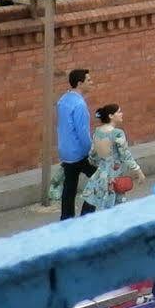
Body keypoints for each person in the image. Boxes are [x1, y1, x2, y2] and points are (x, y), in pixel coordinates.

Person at [78, 103, 145, 213]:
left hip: (100, 174)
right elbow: (126, 155)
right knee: (115, 209)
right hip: (114, 176)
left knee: (94, 203)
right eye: (119, 112)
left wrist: (99, 166)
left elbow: (92, 154)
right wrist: (138, 171)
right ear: (111, 116)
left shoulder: (97, 131)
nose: (121, 114)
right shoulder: (117, 133)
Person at [55, 68, 94, 221]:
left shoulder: (63, 100)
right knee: (99, 178)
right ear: (80, 83)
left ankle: (66, 219)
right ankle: (86, 215)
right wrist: (91, 151)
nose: (92, 83)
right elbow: (82, 133)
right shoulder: (79, 105)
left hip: (65, 152)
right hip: (79, 153)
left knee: (69, 187)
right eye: (89, 80)